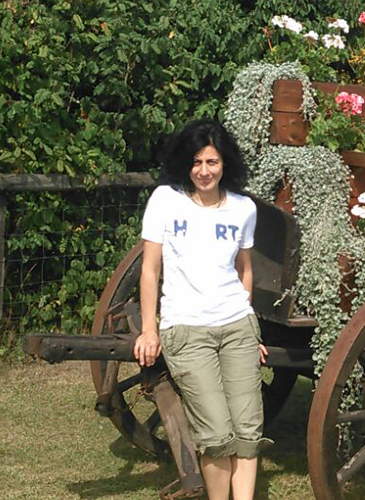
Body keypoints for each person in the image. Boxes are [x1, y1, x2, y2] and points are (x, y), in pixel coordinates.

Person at [134, 119, 269, 500]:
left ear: (225, 163)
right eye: (196, 162)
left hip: (237, 327)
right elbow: (150, 270)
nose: (204, 171)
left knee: (247, 431)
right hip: (187, 329)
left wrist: (250, 330)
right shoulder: (165, 200)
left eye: (212, 162)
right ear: (185, 163)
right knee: (216, 434)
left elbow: (244, 270)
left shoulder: (243, 208)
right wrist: (149, 330)